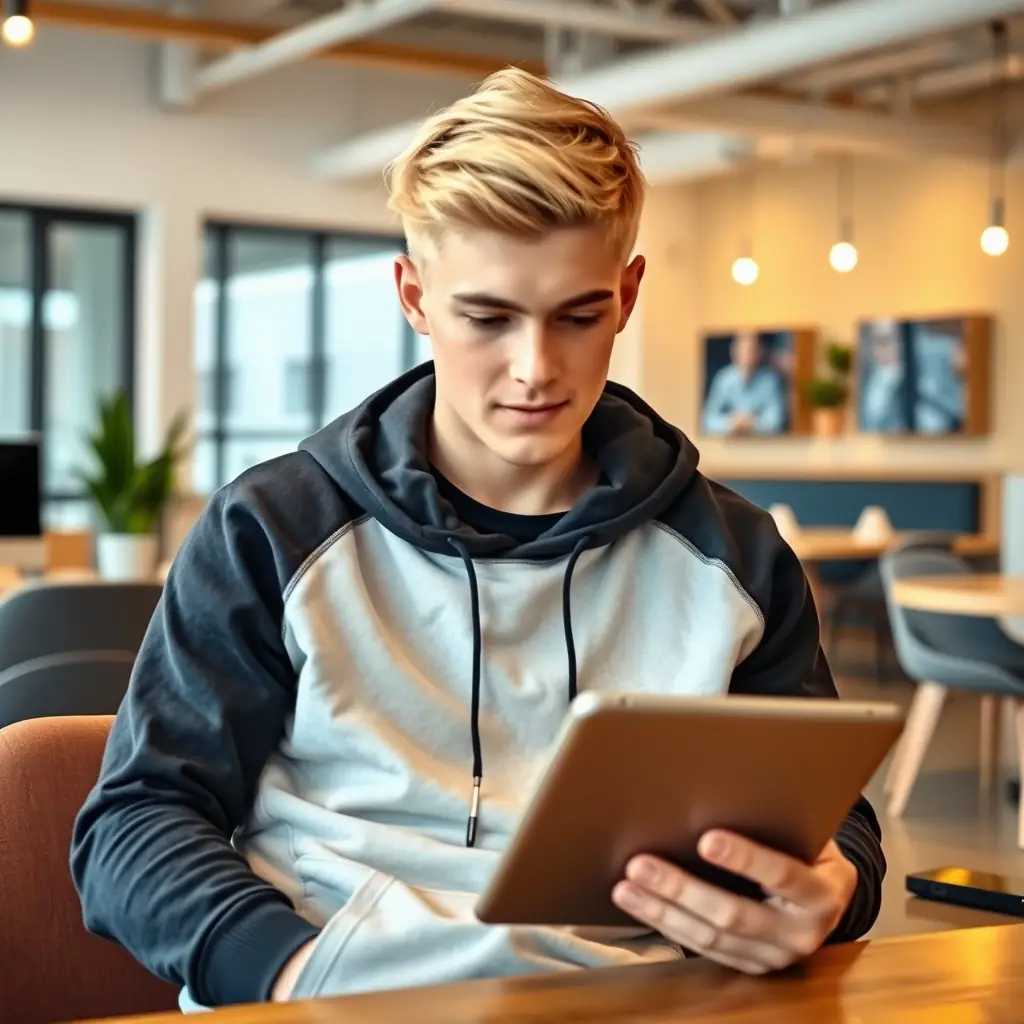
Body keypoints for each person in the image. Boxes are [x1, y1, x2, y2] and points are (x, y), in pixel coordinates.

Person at [71, 68, 885, 1011]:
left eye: (577, 316)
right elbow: (133, 825)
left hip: (643, 999)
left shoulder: (736, 553)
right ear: (415, 296)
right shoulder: (272, 529)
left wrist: (832, 892)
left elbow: (837, 825)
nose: (535, 369)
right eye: (487, 317)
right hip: (340, 996)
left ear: (627, 294)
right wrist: (294, 975)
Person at [701, 332, 787, 435]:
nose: (747, 355)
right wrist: (731, 423)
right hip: (727, 446)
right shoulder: (723, 379)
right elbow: (708, 421)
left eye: (752, 350)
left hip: (762, 446)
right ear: (733, 351)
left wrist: (752, 423)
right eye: (743, 349)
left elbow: (776, 421)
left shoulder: (770, 380)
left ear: (760, 352)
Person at [859, 319, 907, 433]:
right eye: (874, 341)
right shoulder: (866, 378)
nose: (877, 348)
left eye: (884, 340)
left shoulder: (912, 380)